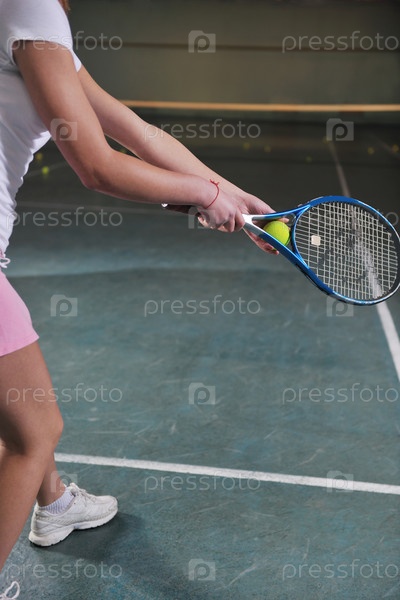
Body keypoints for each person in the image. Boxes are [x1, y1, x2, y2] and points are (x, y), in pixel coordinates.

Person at [0, 0, 275, 595]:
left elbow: (138, 132)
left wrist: (230, 194)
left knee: (15, 391)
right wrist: (205, 197)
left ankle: (54, 502)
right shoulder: (32, 10)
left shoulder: (30, 21)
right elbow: (98, 166)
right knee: (34, 433)